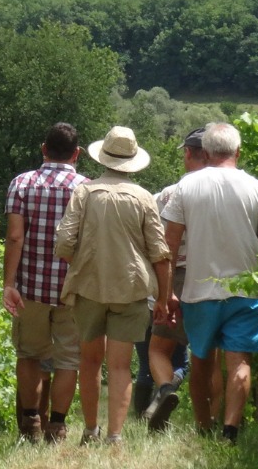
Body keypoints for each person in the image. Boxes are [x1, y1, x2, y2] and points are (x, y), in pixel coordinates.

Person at [159, 122, 258, 444]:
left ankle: (203, 426)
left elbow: (169, 245)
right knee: (240, 361)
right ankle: (230, 429)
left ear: (208, 152)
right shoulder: (257, 189)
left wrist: (168, 291)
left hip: (200, 291)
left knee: (201, 360)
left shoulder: (187, 187)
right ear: (238, 152)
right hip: (246, 291)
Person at [54, 126, 172, 444]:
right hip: (131, 290)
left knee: (89, 362)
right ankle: (115, 436)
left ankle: (90, 430)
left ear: (103, 157)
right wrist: (162, 298)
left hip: (89, 287)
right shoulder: (145, 198)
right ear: (133, 159)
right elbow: (160, 254)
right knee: (120, 366)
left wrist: (81, 265)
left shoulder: (84, 192)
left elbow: (64, 242)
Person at [2, 122, 89, 444]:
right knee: (68, 360)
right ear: (77, 154)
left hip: (31, 290)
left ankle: (31, 421)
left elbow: (14, 237)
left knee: (28, 355)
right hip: (71, 290)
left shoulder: (22, 184)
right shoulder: (86, 188)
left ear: (43, 149)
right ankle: (58, 425)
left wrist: (8, 283)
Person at [144, 127, 219, 432]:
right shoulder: (224, 192)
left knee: (158, 350)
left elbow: (154, 240)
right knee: (210, 352)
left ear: (188, 154)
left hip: (176, 277)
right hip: (213, 277)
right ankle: (216, 420)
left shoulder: (167, 194)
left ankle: (164, 390)